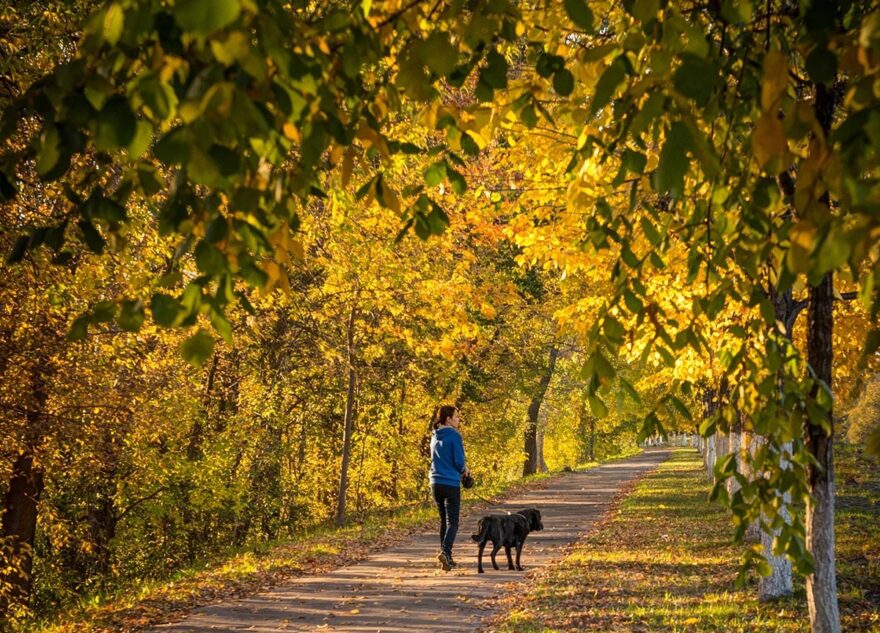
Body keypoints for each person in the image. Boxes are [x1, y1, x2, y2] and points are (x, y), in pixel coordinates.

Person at [429, 405, 470, 571]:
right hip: (450, 482)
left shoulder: (434, 435)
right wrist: (465, 471)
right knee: (453, 522)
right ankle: (445, 551)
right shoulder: (454, 435)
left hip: (435, 482)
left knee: (443, 521)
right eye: (456, 416)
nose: (458, 419)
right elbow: (459, 461)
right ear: (448, 418)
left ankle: (446, 557)